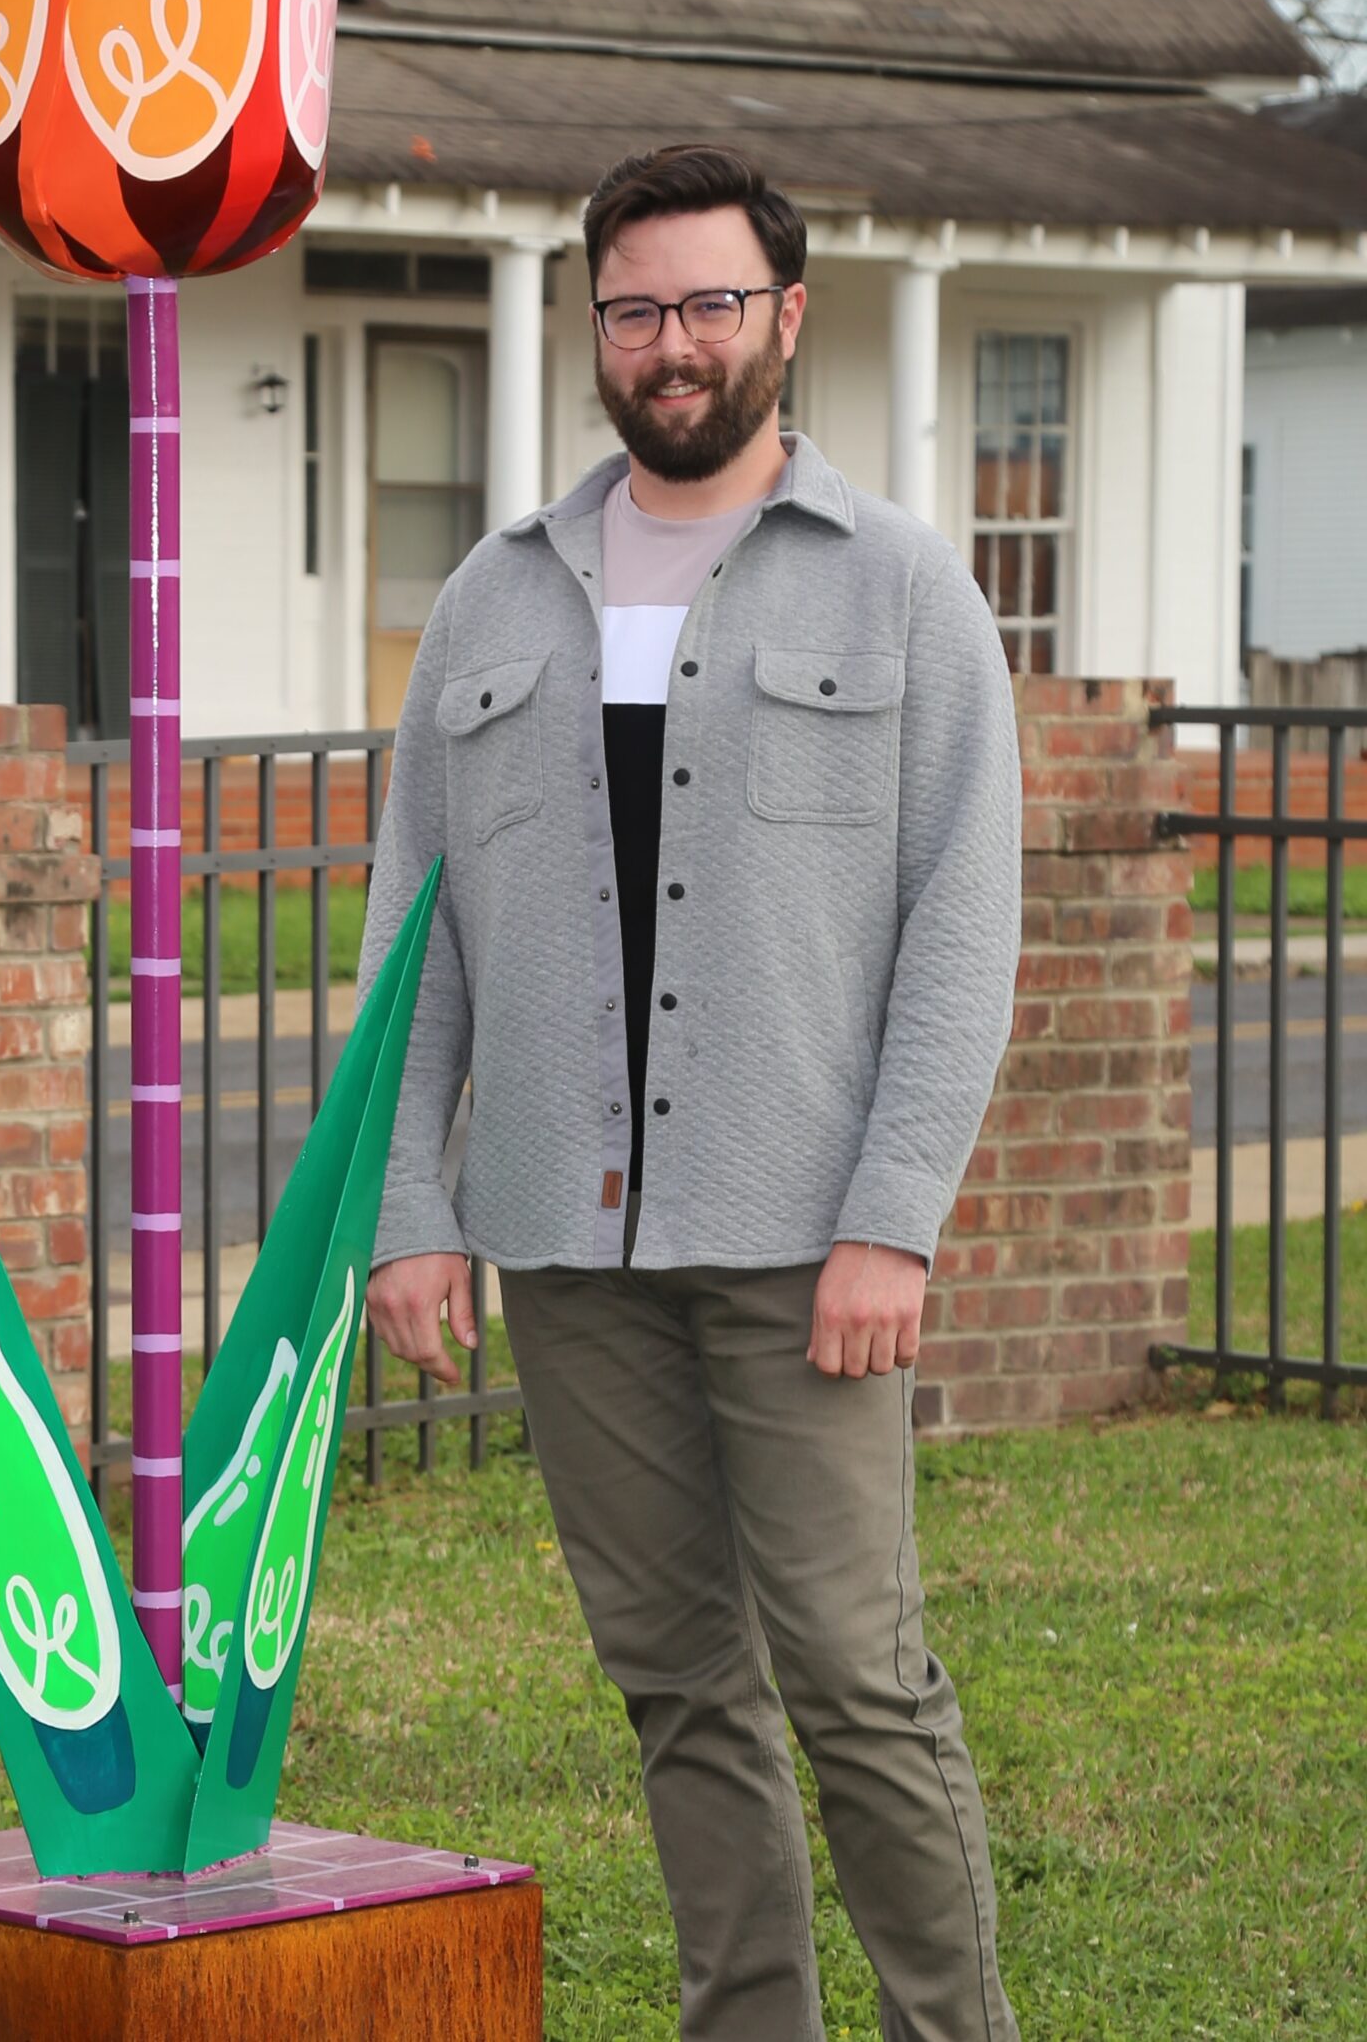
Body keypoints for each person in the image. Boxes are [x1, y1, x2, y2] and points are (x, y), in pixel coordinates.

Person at [361, 143, 1023, 2040]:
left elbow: (961, 930)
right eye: (637, 307)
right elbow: (419, 938)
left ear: (786, 320)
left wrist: (890, 1222)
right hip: (568, 1249)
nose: (673, 342)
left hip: (806, 1243)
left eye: (710, 303)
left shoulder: (901, 592)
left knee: (853, 1674)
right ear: (597, 328)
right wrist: (416, 1210)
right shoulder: (494, 602)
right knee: (675, 1681)